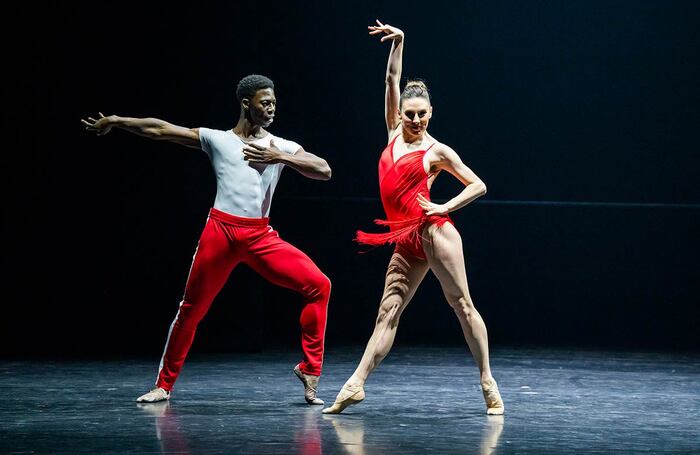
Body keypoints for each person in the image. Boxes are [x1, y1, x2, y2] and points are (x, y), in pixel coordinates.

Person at [82, 74, 332, 405]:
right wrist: (117, 121)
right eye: (265, 102)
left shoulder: (280, 145)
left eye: (274, 102)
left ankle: (310, 370)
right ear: (247, 104)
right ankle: (163, 386)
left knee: (320, 285)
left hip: (260, 235)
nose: (272, 107)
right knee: (191, 309)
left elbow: (324, 169)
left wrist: (281, 158)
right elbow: (162, 130)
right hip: (221, 233)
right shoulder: (218, 140)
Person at [322, 21, 504, 415]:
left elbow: (478, 185)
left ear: (431, 112)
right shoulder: (392, 133)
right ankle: (355, 384)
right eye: (410, 114)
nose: (416, 120)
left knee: (461, 304)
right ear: (400, 113)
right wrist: (400, 42)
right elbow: (392, 77)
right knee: (387, 313)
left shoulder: (437, 151)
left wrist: (444, 207)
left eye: (422, 114)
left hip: (434, 232)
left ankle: (488, 382)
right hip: (404, 239)